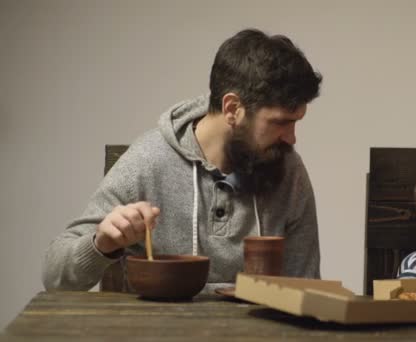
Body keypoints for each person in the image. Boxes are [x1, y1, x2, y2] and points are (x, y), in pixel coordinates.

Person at [42, 28, 323, 292]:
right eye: (280, 123)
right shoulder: (149, 162)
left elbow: (305, 288)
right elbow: (56, 277)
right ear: (233, 108)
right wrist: (101, 245)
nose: (291, 138)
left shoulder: (288, 170)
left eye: (296, 122)